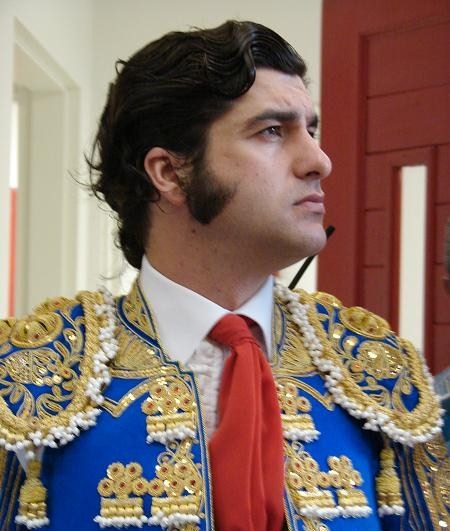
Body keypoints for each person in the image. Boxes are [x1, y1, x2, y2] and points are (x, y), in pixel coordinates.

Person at [0, 20, 448, 531]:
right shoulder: (25, 378)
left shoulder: (381, 370)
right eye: (272, 131)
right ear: (169, 172)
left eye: (312, 130)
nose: (319, 160)